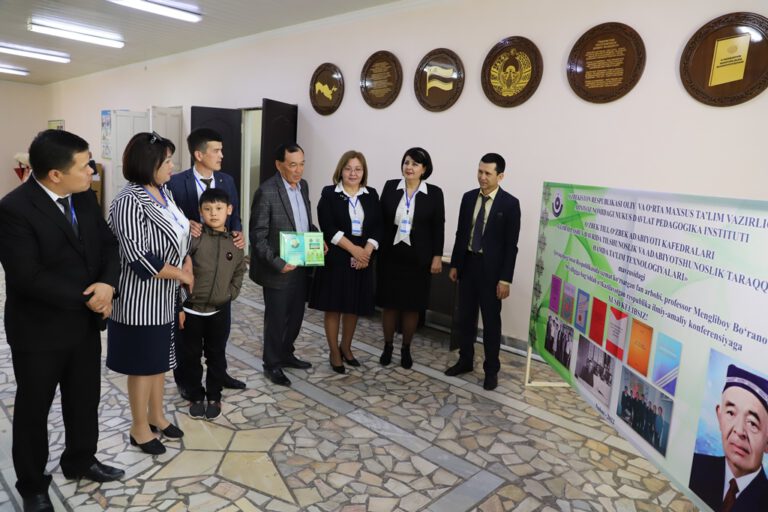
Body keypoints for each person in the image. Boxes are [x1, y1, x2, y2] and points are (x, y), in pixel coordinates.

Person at [0, 129, 124, 512]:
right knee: (34, 409)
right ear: (55, 174)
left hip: (83, 327)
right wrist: (92, 300)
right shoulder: (14, 209)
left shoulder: (83, 196)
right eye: (85, 166)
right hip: (39, 330)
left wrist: (108, 284)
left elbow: (108, 245)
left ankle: (81, 459)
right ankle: (33, 485)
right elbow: (28, 277)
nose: (92, 172)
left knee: (84, 399)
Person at [107, 132, 192, 456]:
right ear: (148, 163)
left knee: (159, 362)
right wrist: (182, 274)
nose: (172, 166)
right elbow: (140, 259)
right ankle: (139, 427)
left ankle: (157, 416)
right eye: (167, 160)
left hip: (166, 296)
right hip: (139, 299)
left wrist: (186, 261)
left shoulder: (163, 192)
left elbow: (180, 234)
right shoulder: (129, 200)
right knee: (143, 365)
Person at [167, 128, 245, 394]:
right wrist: (184, 223)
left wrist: (238, 233)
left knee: (219, 333)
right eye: (216, 150)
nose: (221, 155)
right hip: (192, 265)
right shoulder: (176, 183)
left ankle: (219, 374)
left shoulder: (227, 180)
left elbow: (235, 215)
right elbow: (168, 218)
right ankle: (186, 382)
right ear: (199, 154)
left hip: (222, 267)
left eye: (221, 150)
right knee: (188, 338)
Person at [444, 153, 521, 391]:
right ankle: (465, 360)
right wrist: (455, 264)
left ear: (500, 176)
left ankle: (491, 370)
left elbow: (511, 246)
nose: (482, 177)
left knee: (491, 323)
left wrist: (505, 279)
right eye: (480, 171)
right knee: (465, 318)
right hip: (468, 265)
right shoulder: (468, 198)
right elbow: (461, 233)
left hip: (492, 273)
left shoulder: (510, 204)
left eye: (488, 173)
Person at [250, 143, 322, 386]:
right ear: (279, 165)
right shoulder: (266, 192)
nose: (298, 170)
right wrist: (278, 263)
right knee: (277, 319)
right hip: (278, 269)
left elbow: (304, 222)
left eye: (302, 164)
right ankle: (272, 364)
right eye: (293, 165)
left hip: (301, 263)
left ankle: (286, 353)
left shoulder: (304, 186)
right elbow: (257, 236)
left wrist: (316, 238)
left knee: (296, 316)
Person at [309, 150, 381, 373]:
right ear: (341, 170)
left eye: (358, 169)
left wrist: (365, 252)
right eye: (348, 168)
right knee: (334, 308)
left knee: (353, 307)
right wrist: (354, 250)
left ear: (364, 172)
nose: (353, 173)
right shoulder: (330, 193)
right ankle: (334, 352)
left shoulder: (371, 194)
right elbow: (328, 226)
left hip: (362, 260)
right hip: (337, 258)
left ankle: (346, 348)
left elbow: (378, 226)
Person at [178, 187, 246, 419]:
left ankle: (214, 396)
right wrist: (183, 299)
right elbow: (181, 266)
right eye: (207, 209)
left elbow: (239, 270)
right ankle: (195, 395)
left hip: (219, 309)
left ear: (229, 210)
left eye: (218, 208)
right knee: (191, 356)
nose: (213, 213)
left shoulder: (235, 243)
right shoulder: (194, 238)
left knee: (217, 355)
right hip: (192, 309)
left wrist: (230, 293)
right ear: (200, 211)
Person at [377, 147, 444, 369]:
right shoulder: (390, 187)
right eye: (406, 162)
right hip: (390, 256)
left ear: (424, 169)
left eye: (415, 164)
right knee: (389, 305)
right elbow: (380, 220)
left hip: (418, 259)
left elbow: (438, 227)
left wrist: (437, 256)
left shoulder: (434, 193)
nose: (409, 167)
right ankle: (387, 346)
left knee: (412, 306)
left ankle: (406, 348)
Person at [689, 364, 768, 511]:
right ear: (719, 417)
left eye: (752, 423)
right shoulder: (695, 466)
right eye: (731, 413)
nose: (739, 430)